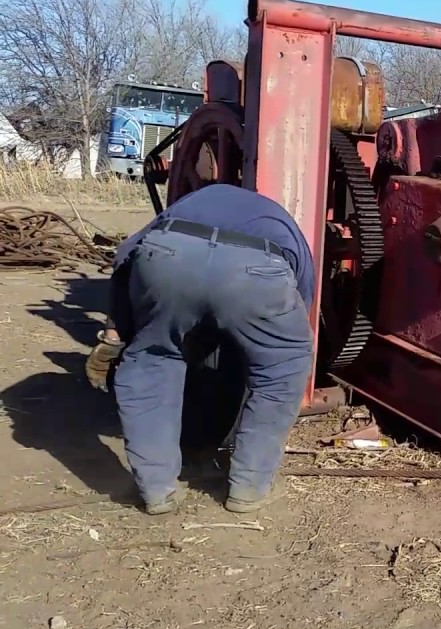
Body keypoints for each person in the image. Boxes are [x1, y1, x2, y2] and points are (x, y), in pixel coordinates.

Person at [85, 184, 316, 516]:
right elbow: (300, 295)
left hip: (168, 257)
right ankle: (248, 488)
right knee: (281, 369)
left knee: (153, 359)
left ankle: (157, 491)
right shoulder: (284, 226)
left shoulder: (188, 203)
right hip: (256, 269)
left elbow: (125, 256)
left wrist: (114, 333)